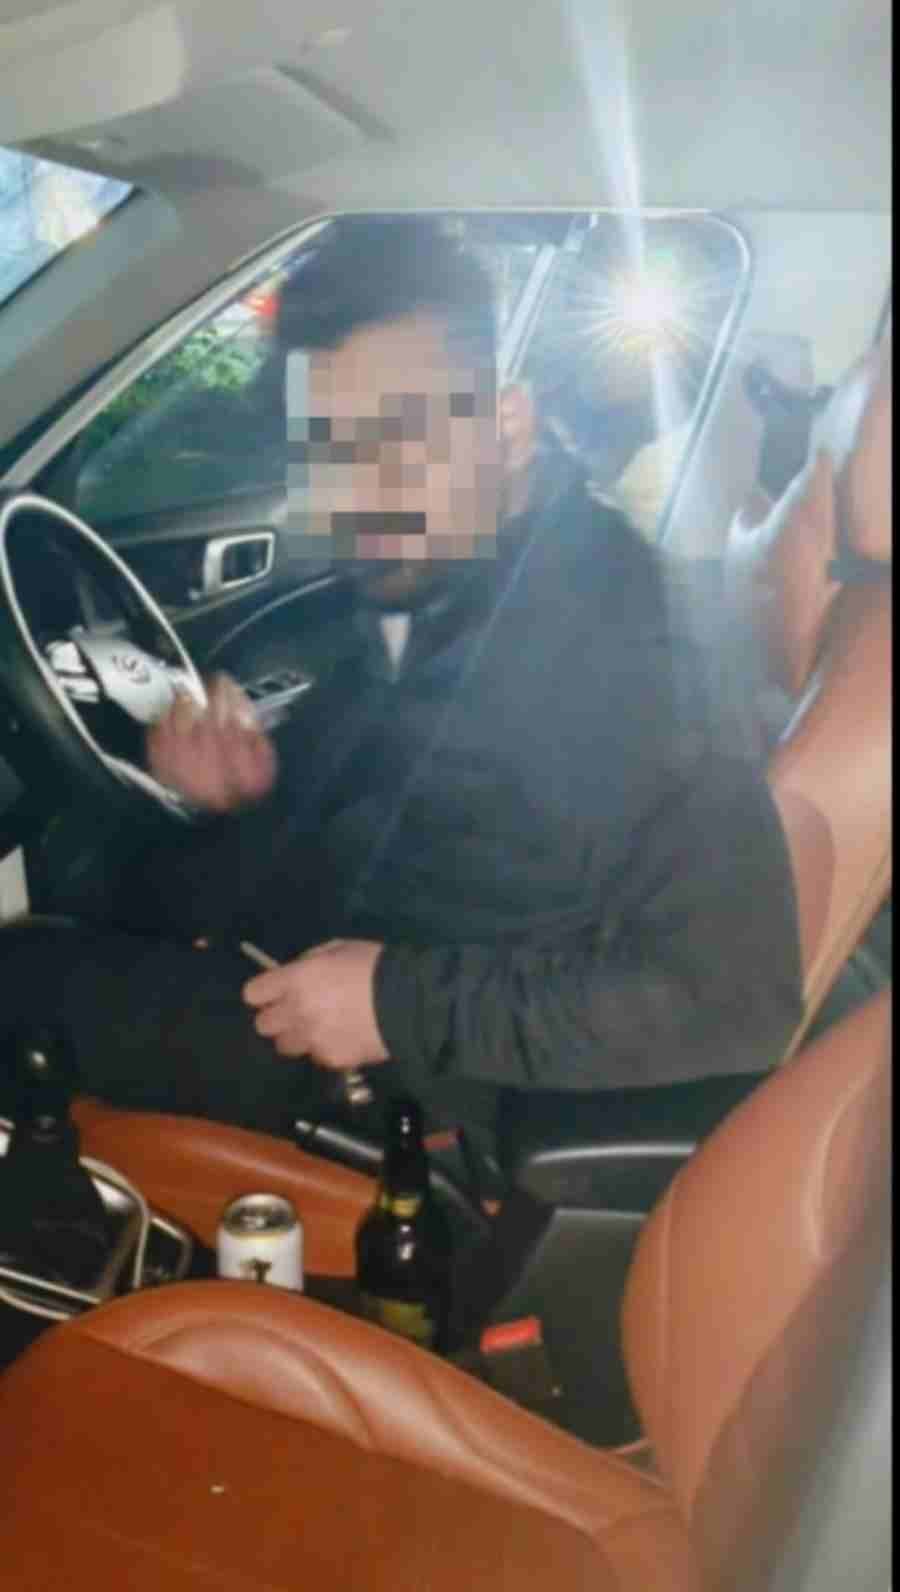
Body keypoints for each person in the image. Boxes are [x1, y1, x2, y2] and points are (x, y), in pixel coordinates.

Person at [0, 218, 803, 1170]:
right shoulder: (439, 579)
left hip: (426, 1095)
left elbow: (736, 999)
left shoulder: (640, 644)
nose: (361, 492)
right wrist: (244, 792)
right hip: (318, 973)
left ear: (506, 427)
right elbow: (412, 810)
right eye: (329, 449)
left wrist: (395, 1003)